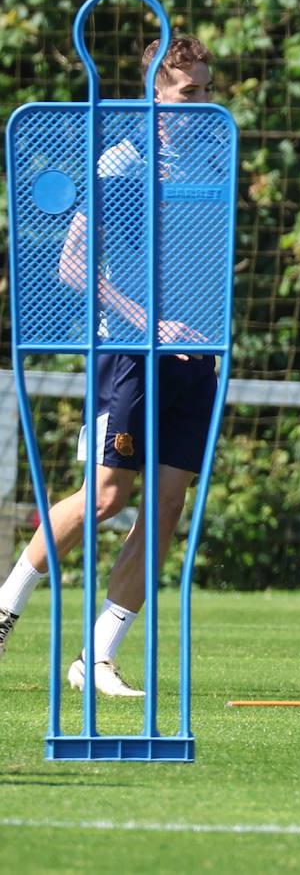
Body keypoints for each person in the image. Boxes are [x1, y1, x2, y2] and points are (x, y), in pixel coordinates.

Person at [0, 36, 219, 697]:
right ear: (156, 95)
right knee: (105, 497)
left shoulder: (215, 155)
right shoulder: (125, 162)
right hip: (131, 350)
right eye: (188, 93)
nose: (201, 103)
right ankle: (6, 604)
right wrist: (152, 323)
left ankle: (96, 658)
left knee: (167, 507)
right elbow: (74, 266)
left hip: (197, 357)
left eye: (207, 90)